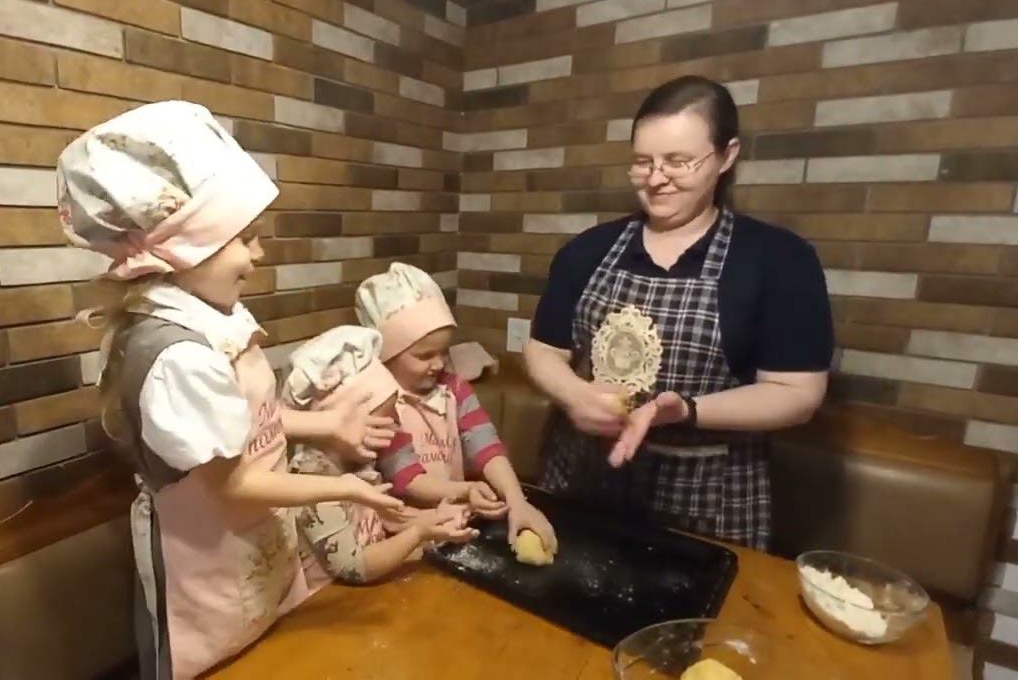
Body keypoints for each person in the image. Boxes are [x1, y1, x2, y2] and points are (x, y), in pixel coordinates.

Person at [57, 102, 403, 680]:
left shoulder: (211, 317)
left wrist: (326, 425)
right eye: (246, 238)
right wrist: (346, 487)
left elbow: (238, 424)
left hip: (254, 552)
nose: (258, 255)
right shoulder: (177, 355)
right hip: (204, 571)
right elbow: (234, 482)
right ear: (189, 246)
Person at [524, 75, 833, 550]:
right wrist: (574, 394)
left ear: (726, 156)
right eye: (642, 162)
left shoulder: (780, 261)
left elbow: (798, 394)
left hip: (707, 501)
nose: (656, 178)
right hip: (581, 482)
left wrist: (687, 410)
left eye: (678, 161)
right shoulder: (586, 251)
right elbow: (543, 349)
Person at [356, 262, 558, 554]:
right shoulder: (380, 404)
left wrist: (517, 502)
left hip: (453, 521)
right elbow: (406, 478)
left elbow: (486, 446)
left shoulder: (454, 389)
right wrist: (465, 490)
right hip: (400, 534)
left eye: (443, 351)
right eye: (425, 355)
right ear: (387, 355)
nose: (438, 364)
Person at [283, 325, 476, 589]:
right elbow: (354, 567)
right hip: (329, 601)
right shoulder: (311, 481)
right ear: (338, 424)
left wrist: (435, 518)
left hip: (371, 595)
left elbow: (386, 519)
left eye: (393, 421)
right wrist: (418, 533)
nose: (391, 434)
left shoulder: (360, 463)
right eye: (379, 424)